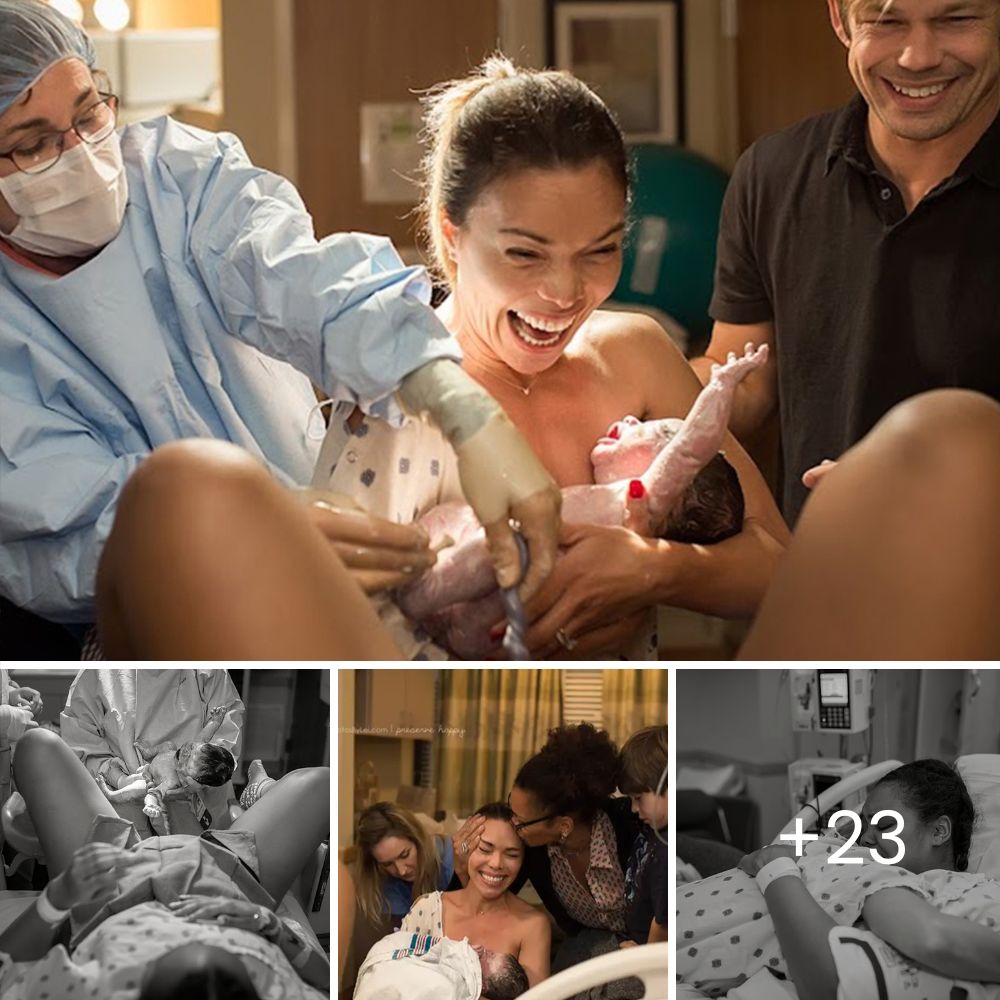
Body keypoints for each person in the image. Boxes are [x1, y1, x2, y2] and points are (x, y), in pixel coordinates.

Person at [0, 0, 562, 656]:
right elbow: (54, 535)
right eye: (32, 144)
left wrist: (463, 407)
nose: (82, 154)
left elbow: (303, 281)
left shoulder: (181, 177)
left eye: (90, 111)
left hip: (339, 525)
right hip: (158, 621)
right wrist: (242, 535)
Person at [312, 55, 790, 659]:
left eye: (600, 250)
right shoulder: (391, 395)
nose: (565, 294)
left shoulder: (636, 355)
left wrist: (652, 570)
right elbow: (334, 632)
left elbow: (781, 567)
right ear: (452, 235)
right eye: (526, 254)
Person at [692, 0, 1000, 526]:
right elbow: (745, 378)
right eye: (886, 21)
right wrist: (624, 390)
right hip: (819, 582)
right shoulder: (772, 173)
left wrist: (936, 487)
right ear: (840, 18)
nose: (917, 57)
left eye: (956, 19)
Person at [397, 348, 760, 657]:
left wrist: (721, 387)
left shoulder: (648, 497)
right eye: (525, 258)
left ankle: (423, 595)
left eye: (655, 431)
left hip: (499, 601)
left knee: (499, 546)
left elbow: (693, 446)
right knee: (463, 523)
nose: (632, 420)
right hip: (480, 628)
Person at [0, 726, 330, 999]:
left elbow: (4, 966)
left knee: (36, 746)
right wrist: (269, 925)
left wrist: (57, 898)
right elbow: (328, 983)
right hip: (226, 879)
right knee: (323, 784)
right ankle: (257, 789)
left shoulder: (82, 989)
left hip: (109, 894)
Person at [676, 759, 1000, 999]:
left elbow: (931, 938)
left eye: (884, 826)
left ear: (940, 831)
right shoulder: (865, 855)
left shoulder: (887, 876)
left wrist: (774, 866)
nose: (868, 837)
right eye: (864, 824)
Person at [453, 725, 642, 988]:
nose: (513, 824)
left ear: (563, 825)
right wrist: (463, 868)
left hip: (644, 951)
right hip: (586, 952)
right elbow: (479, 901)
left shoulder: (631, 824)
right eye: (511, 807)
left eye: (522, 821)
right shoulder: (532, 848)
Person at [59, 667, 244, 837]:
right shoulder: (97, 674)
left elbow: (224, 733)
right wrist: (121, 779)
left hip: (200, 806)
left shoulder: (207, 668)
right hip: (125, 807)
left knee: (195, 857)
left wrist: (200, 776)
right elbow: (81, 742)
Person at [402, 803, 550, 988]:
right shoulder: (427, 909)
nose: (496, 864)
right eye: (485, 849)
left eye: (511, 855)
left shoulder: (532, 925)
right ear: (465, 849)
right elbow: (397, 982)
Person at [355, 801, 460, 930]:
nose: (401, 871)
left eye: (405, 855)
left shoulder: (452, 858)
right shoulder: (383, 880)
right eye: (388, 864)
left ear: (418, 839)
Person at [354, 930, 530, 1000]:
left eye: (489, 957)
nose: (484, 950)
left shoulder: (456, 988)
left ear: (484, 985)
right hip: (388, 959)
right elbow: (438, 949)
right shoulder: (457, 951)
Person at [617, 726, 668, 949]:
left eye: (638, 798)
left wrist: (641, 957)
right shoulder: (649, 828)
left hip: (646, 952)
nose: (634, 809)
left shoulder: (665, 852)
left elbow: (663, 923)